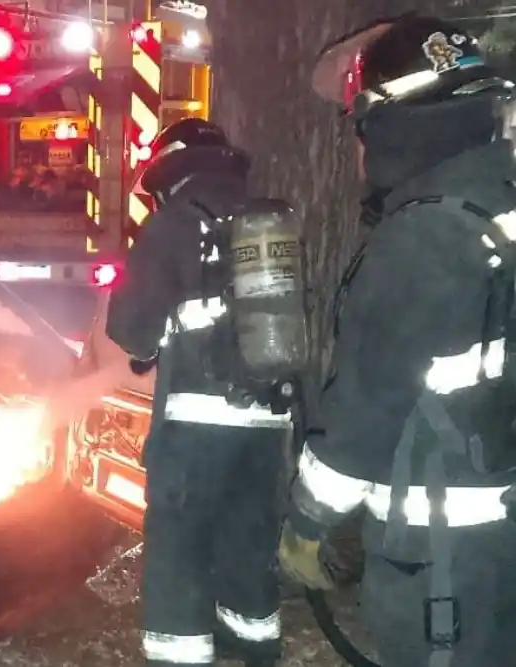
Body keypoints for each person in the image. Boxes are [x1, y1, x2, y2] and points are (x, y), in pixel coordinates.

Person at [278, 13, 516, 667]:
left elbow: (367, 407)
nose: (359, 151)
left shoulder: (420, 238)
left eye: (362, 127)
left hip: (442, 556)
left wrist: (308, 520)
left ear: (395, 124)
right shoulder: (497, 204)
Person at [105, 118, 293, 667]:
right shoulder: (264, 221)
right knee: (249, 536)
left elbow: (132, 328)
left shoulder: (174, 224)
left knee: (178, 543)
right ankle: (254, 642)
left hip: (196, 423)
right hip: (269, 417)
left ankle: (181, 654)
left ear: (168, 171)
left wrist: (147, 343)